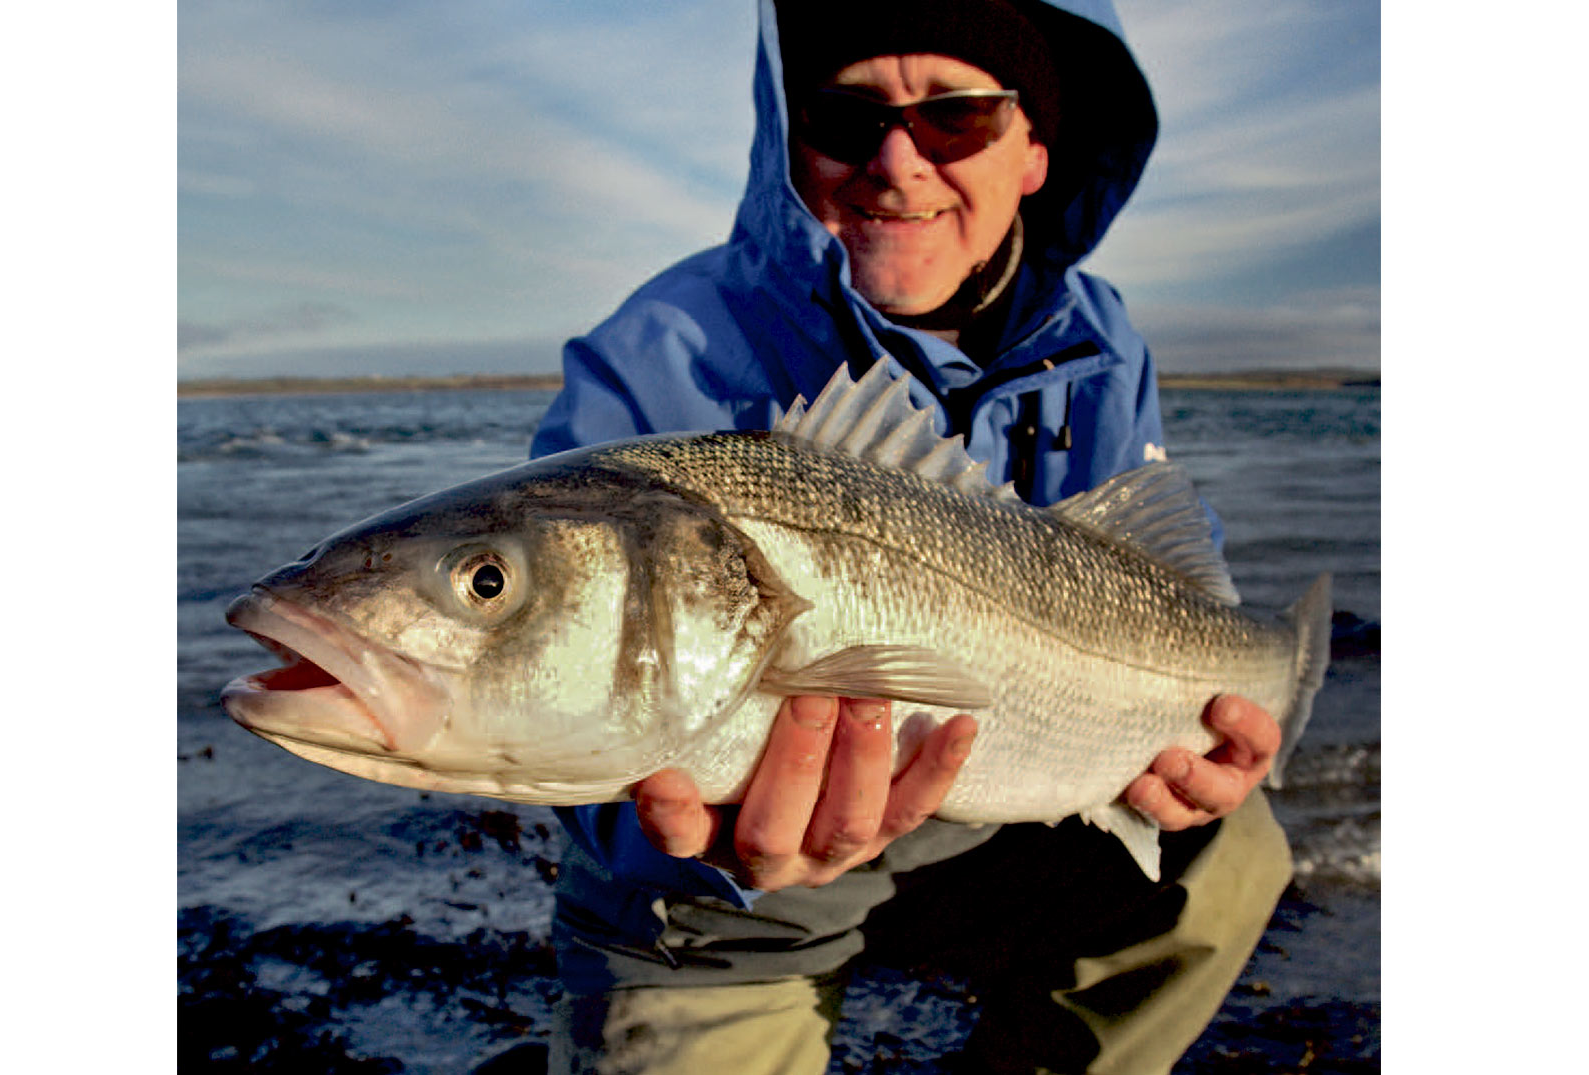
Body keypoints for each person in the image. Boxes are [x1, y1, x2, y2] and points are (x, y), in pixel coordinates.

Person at [528, 1, 1294, 1071]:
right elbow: (571, 740)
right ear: (788, 143)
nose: (897, 162)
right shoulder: (659, 353)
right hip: (723, 900)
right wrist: (700, 847)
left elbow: (1174, 579)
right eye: (847, 119)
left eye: (958, 119)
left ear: (1033, 149)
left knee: (1230, 853)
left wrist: (1227, 740)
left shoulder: (1102, 339)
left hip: (1008, 821)